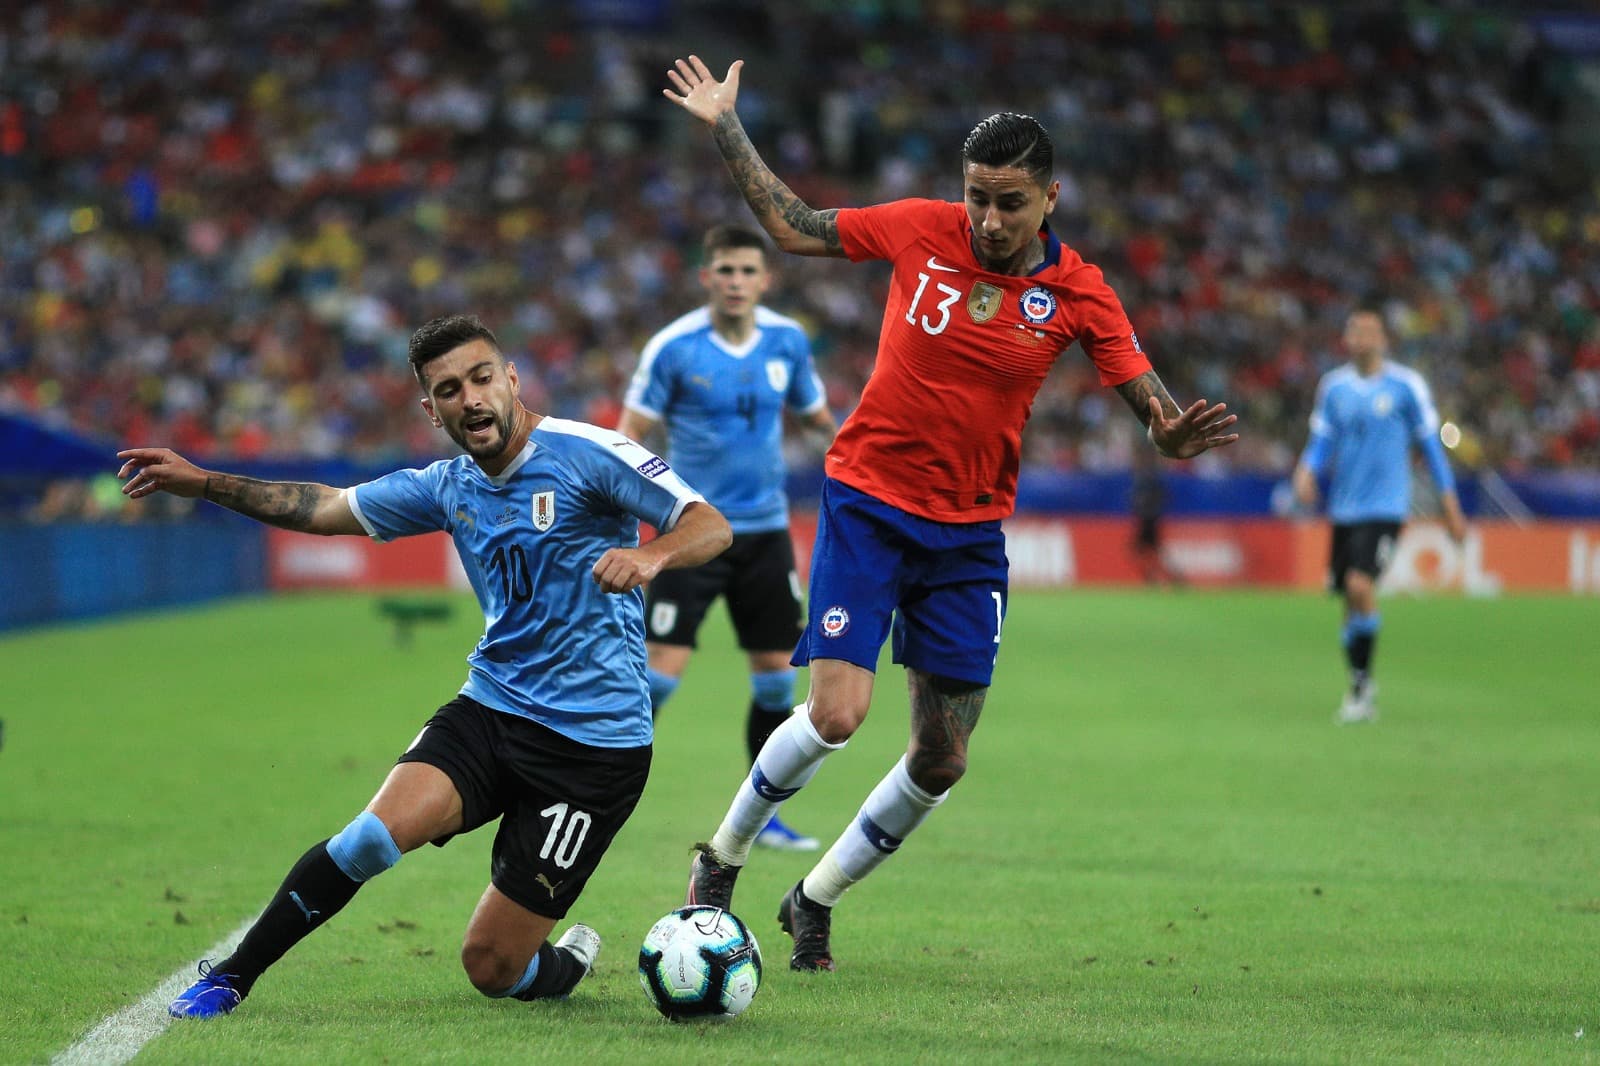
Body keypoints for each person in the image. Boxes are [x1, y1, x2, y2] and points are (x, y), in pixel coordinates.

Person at [662, 55, 1239, 971]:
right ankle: (720, 859)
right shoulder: (918, 232)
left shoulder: (1080, 292)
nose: (989, 218)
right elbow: (791, 224)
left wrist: (1169, 436)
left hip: (969, 533)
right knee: (839, 714)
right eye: (977, 196)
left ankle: (813, 897)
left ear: (1051, 197)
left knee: (942, 760)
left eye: (1011, 201)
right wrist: (726, 125)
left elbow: (1151, 403)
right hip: (870, 504)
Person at [118, 313, 731, 1017]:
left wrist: (651, 555)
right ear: (430, 408)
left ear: (510, 380)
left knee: (492, 967)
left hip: (596, 749)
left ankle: (567, 962)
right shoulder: (447, 486)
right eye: (447, 389)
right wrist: (203, 484)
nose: (469, 400)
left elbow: (708, 523)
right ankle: (231, 975)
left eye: (479, 379)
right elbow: (324, 508)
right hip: (493, 710)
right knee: (369, 839)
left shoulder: (589, 454)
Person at [616, 223, 838, 853]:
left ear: (765, 280)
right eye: (725, 271)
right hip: (691, 532)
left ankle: (761, 818)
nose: (737, 282)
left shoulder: (788, 342)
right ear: (706, 277)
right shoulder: (673, 348)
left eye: (748, 271)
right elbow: (629, 436)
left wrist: (863, 469)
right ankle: (597, 787)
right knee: (661, 673)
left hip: (765, 533)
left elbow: (818, 419)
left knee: (776, 677)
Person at [1292, 303, 1467, 723]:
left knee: (1358, 585)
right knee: (1350, 604)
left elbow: (1431, 446)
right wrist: (1306, 469)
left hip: (1386, 506)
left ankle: (1362, 689)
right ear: (1347, 340)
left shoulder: (1407, 387)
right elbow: (1321, 440)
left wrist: (1450, 504)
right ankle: (1359, 686)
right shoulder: (1334, 387)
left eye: (1369, 332)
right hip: (1345, 509)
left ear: (1383, 340)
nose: (1361, 339)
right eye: (1354, 331)